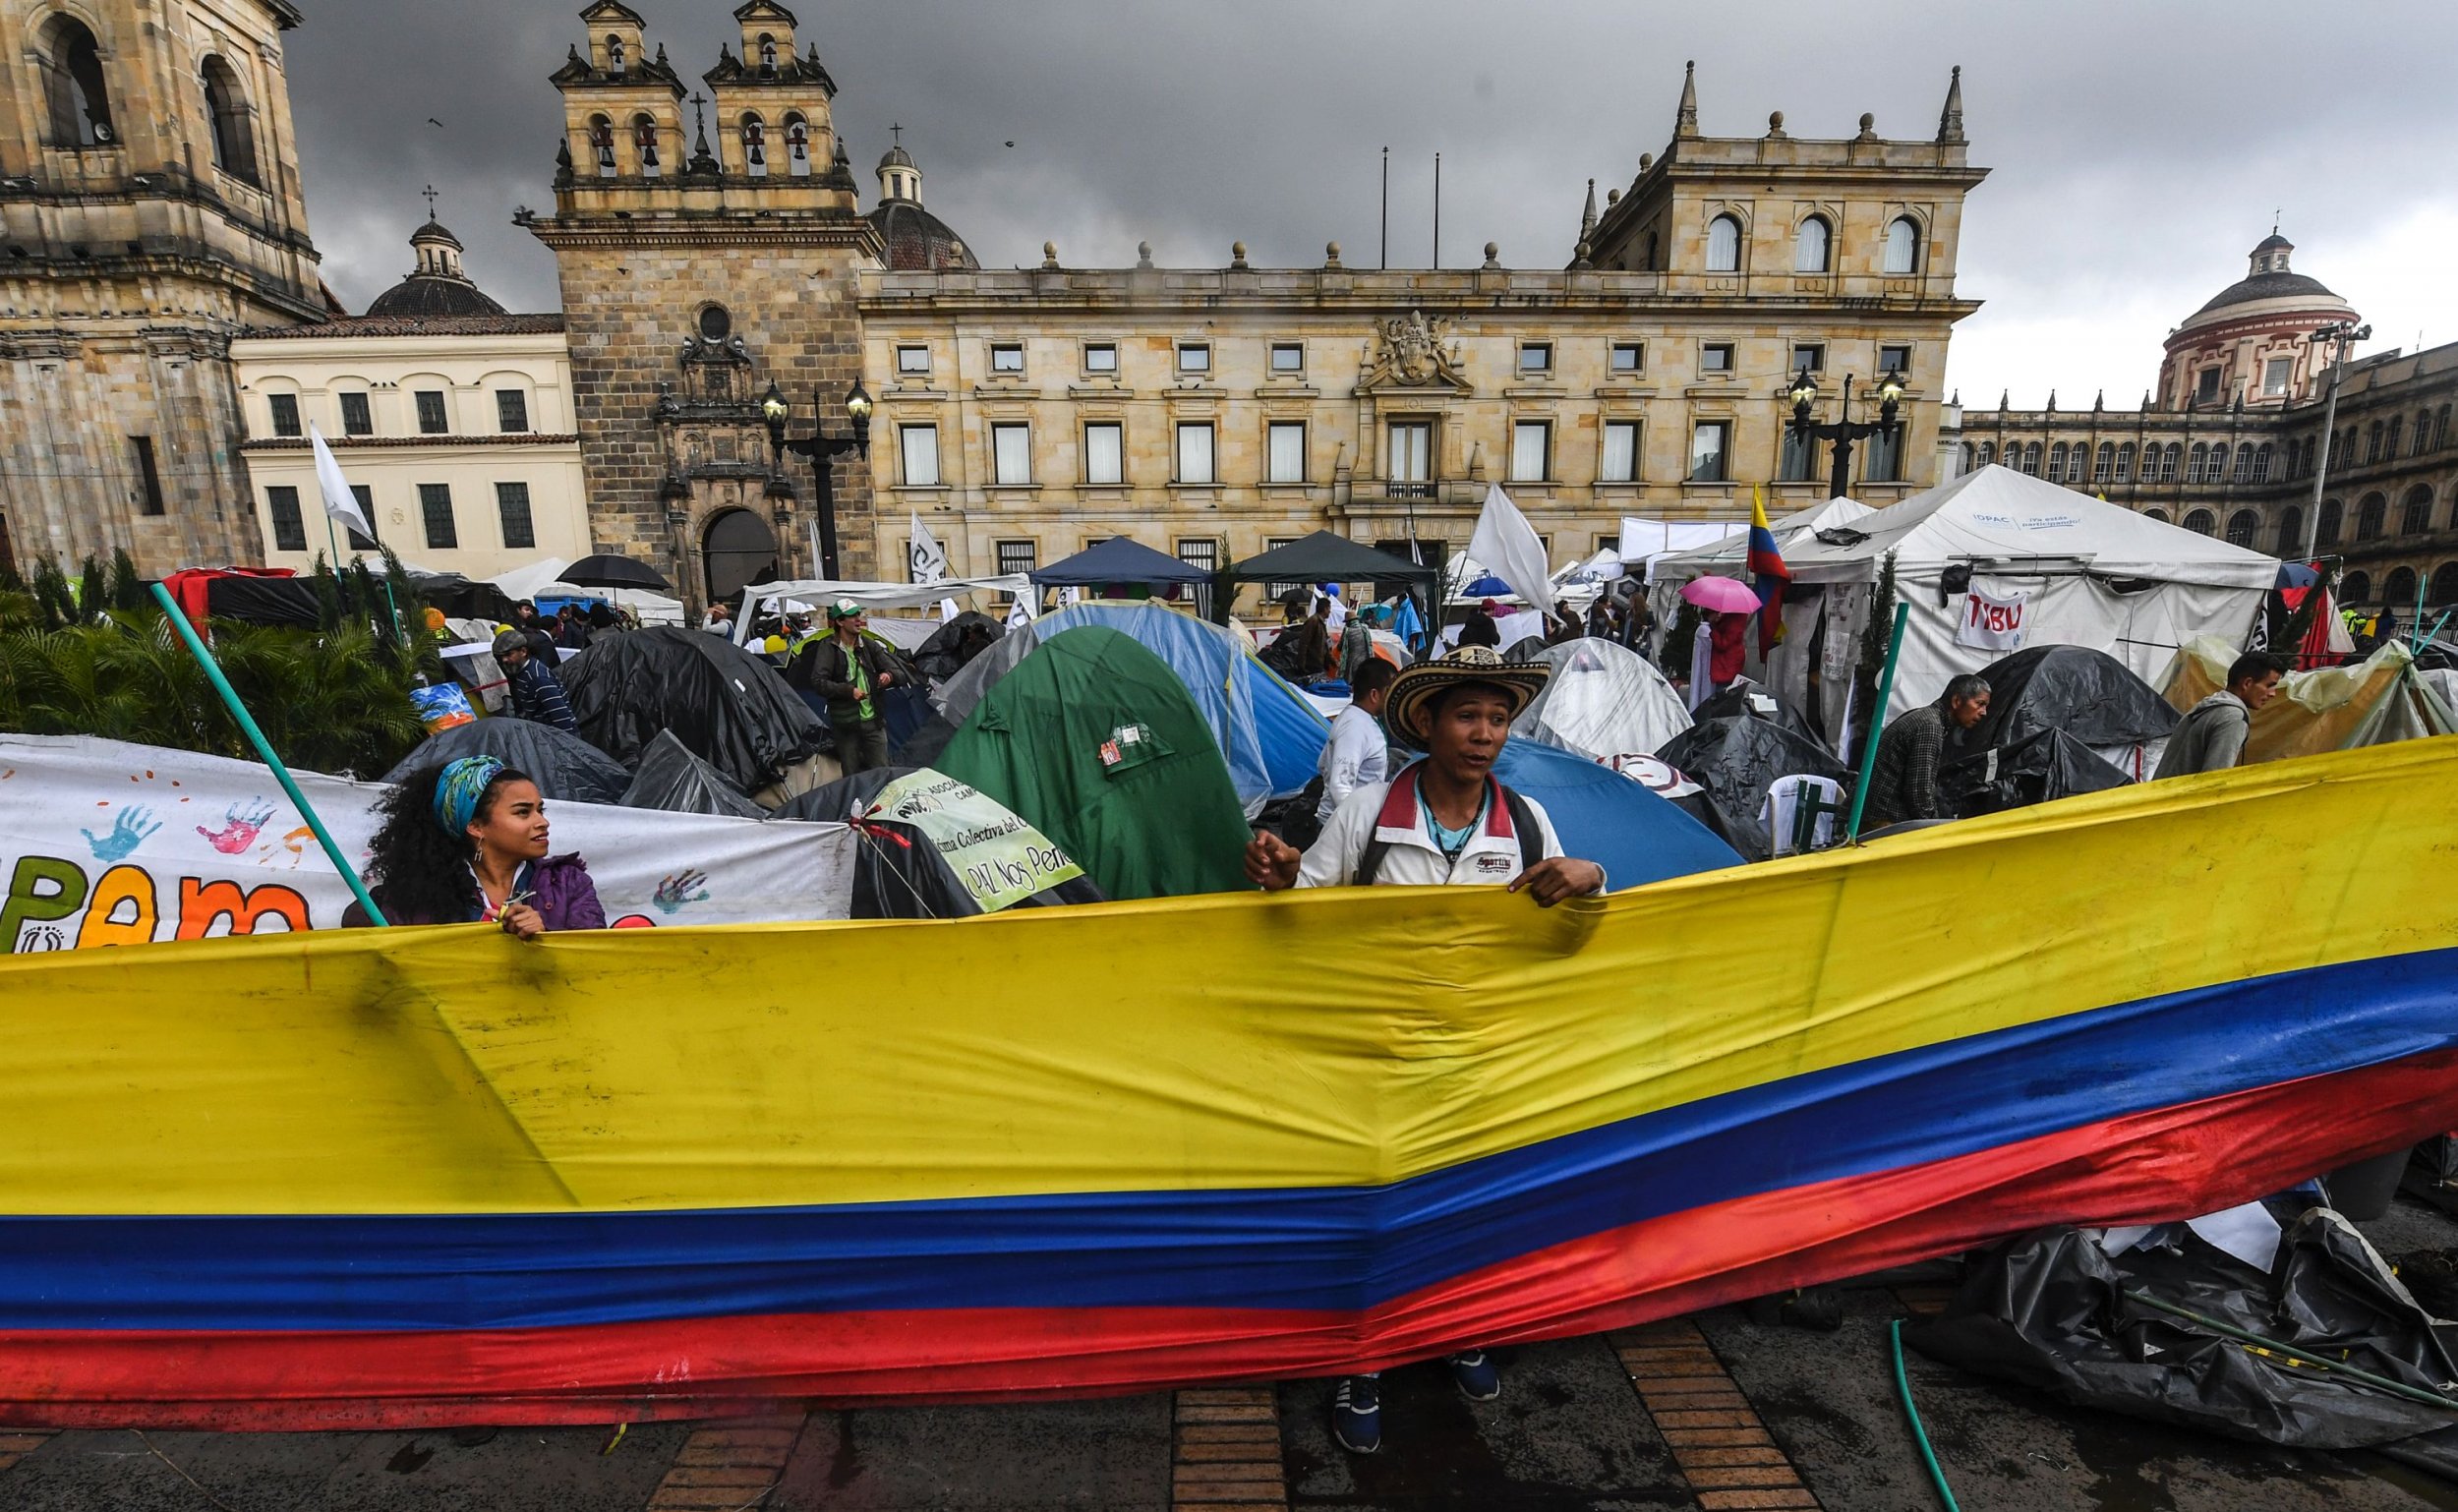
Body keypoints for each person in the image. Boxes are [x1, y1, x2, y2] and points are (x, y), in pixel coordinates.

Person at [1243, 645, 1607, 1455]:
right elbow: (1306, 907)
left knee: (1468, 1200)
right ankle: (1363, 1361)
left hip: (1478, 1052)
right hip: (1374, 1051)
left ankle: (1460, 1331)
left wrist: (1590, 874)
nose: (1484, 734)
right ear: (1428, 723)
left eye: (1498, 718)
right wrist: (1283, 874)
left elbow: (1569, 931)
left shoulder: (1529, 824)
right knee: (1377, 1213)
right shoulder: (1367, 812)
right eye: (1468, 716)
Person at [345, 756, 605, 935]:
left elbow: (598, 963)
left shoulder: (569, 883)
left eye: (540, 809)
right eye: (523, 813)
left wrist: (546, 937)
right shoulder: (414, 895)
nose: (543, 822)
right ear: (476, 827)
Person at [1863, 673, 1991, 830]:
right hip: (1882, 820)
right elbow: (1919, 794)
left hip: (1877, 813)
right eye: (1980, 704)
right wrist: (1937, 830)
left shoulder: (1926, 717)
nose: (1984, 712)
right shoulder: (1930, 726)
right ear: (1957, 701)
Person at [796, 600, 901, 774]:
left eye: (858, 614)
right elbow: (818, 682)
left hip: (874, 723)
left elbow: (898, 671)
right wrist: (848, 691)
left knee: (882, 774)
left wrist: (888, 675)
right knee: (851, 776)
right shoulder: (828, 647)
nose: (858, 619)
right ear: (840, 621)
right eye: (852, 616)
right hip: (846, 725)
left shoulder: (868, 644)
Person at [2155, 652, 2285, 779]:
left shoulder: (2207, 706)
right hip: (2183, 799)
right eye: (2269, 686)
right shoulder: (2233, 719)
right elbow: (2214, 778)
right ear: (2247, 683)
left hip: (2155, 796)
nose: (2273, 694)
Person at [493, 629, 579, 734]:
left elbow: (561, 715)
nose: (504, 660)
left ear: (523, 651)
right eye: (501, 657)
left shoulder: (537, 677)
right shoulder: (522, 672)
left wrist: (566, 745)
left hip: (558, 736)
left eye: (509, 654)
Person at [1338, 600, 1376, 685]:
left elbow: (1340, 647)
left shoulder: (1347, 631)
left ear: (1348, 622)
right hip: (1365, 662)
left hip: (1351, 664)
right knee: (1363, 683)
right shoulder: (1364, 629)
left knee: (1352, 684)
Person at [510, 600, 559, 665]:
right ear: (518, 610)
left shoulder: (532, 631)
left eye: (531, 611)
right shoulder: (512, 626)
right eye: (527, 610)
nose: (530, 613)